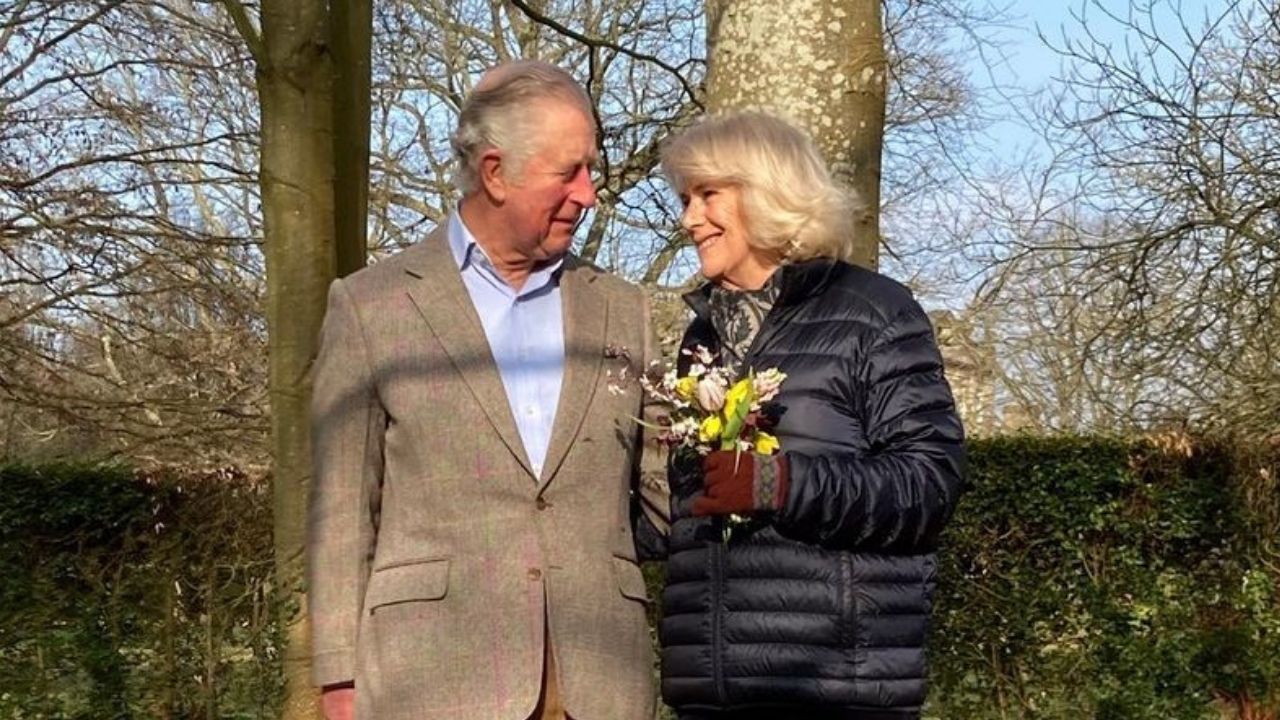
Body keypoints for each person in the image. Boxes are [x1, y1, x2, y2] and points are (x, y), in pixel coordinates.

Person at [307, 60, 666, 720]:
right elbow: (340, 510)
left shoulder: (622, 309)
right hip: (434, 679)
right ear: (495, 172)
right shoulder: (372, 306)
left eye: (592, 170)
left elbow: (663, 494)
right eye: (569, 172)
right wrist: (338, 679)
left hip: (598, 681)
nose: (589, 194)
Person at [654, 111, 966, 719]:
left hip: (835, 686)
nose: (689, 219)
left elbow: (930, 483)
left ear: (768, 190)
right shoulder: (701, 337)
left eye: (708, 195)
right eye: (685, 198)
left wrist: (780, 484)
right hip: (711, 693)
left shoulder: (874, 313)